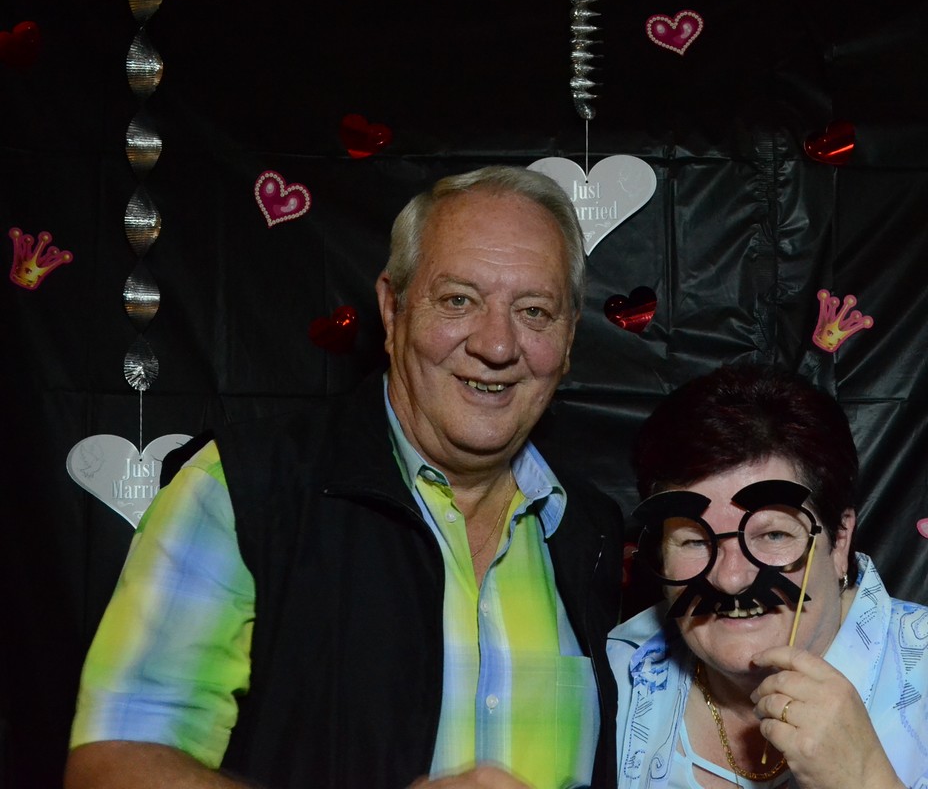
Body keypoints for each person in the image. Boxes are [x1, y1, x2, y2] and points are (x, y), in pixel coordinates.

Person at [65, 166, 624, 789]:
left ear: (568, 339)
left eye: (534, 311)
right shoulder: (240, 491)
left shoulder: (590, 532)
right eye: (458, 300)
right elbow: (109, 767)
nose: (496, 345)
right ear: (392, 308)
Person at [608, 366, 928, 789]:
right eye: (693, 541)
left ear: (840, 541)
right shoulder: (615, 676)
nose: (731, 578)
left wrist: (865, 780)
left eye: (773, 535)